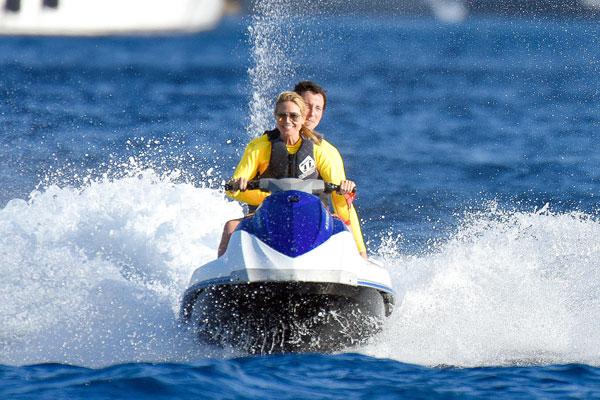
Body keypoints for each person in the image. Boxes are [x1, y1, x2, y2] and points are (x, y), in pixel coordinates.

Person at [217, 88, 367, 258]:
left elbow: (342, 201)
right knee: (231, 227)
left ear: (303, 118)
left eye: (294, 116)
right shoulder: (258, 148)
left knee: (342, 228)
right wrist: (241, 185)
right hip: (267, 218)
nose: (287, 121)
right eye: (282, 116)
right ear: (275, 117)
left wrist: (361, 252)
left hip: (311, 219)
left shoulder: (321, 151)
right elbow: (232, 188)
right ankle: (221, 275)